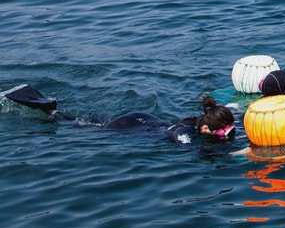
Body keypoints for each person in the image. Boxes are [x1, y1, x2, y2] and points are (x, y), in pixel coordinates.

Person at [3, 86, 236, 143]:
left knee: (91, 122)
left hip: (140, 117)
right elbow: (188, 148)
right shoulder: (184, 134)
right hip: (127, 125)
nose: (226, 133)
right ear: (205, 129)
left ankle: (52, 108)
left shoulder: (198, 122)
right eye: (222, 130)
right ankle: (49, 110)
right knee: (81, 127)